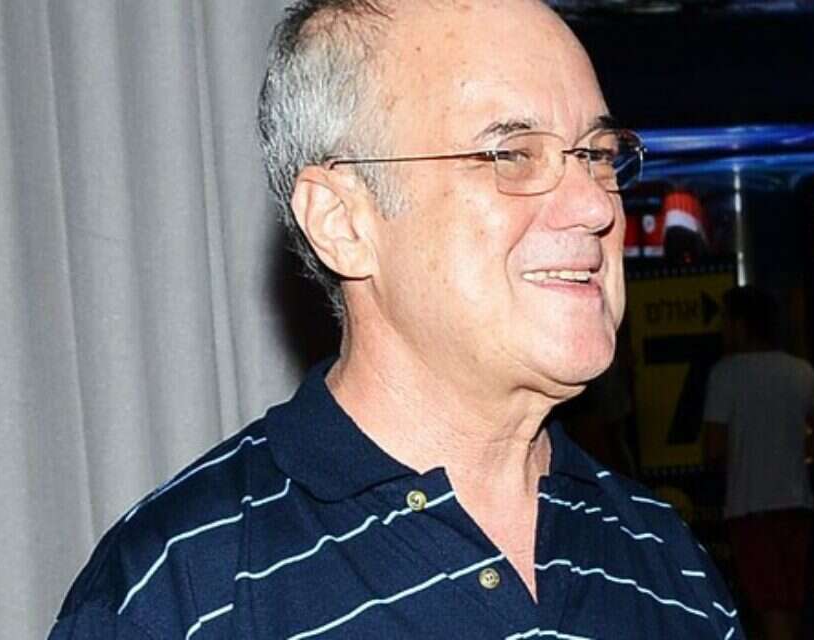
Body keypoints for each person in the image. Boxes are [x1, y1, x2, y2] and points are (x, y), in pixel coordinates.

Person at [50, 1, 742, 638]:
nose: (595, 206)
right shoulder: (182, 592)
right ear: (342, 221)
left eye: (595, 154)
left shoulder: (669, 564)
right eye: (511, 155)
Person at [703, 286, 814, 640]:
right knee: (790, 601)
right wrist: (791, 451)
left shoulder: (725, 374)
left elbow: (714, 447)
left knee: (768, 603)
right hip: (797, 503)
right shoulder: (801, 371)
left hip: (750, 507)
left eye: (726, 320)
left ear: (740, 324)